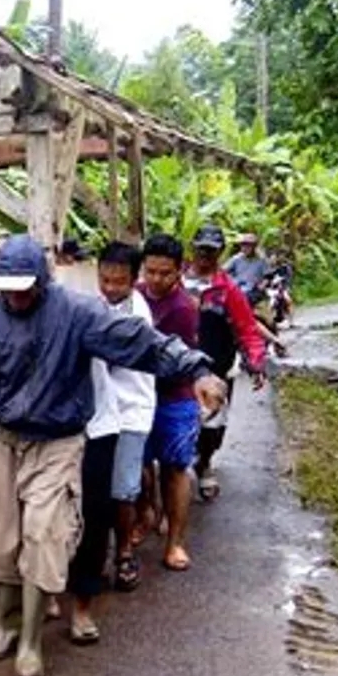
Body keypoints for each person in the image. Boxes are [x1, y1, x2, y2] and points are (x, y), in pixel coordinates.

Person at [0, 235, 224, 676]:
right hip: (7, 439)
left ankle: (30, 643)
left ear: (44, 280)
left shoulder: (78, 313)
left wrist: (197, 369)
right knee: (2, 538)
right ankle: (4, 626)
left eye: (24, 287)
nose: (16, 297)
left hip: (60, 439)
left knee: (43, 533)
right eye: (7, 288)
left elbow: (143, 342)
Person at [136, 235, 204, 573]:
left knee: (175, 470)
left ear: (179, 271)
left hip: (174, 397)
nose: (156, 279)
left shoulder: (184, 309)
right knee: (139, 466)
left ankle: (175, 542)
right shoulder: (132, 296)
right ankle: (147, 511)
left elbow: (182, 361)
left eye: (165, 273)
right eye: (151, 271)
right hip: (139, 395)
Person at [186, 225, 268, 501]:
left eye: (211, 250)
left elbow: (247, 328)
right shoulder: (175, 280)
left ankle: (205, 463)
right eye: (201, 249)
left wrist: (256, 360)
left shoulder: (228, 290)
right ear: (192, 248)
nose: (205, 255)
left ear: (220, 252)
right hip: (178, 368)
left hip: (216, 367)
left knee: (212, 426)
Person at [98, 242, 157, 593]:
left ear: (134, 280)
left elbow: (110, 353)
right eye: (104, 279)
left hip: (130, 411)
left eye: (119, 281)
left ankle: (123, 553)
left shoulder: (138, 316)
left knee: (122, 491)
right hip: (100, 412)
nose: (110, 288)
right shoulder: (97, 305)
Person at [224, 233, 269, 301]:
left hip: (253, 289)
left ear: (254, 247)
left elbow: (267, 276)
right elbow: (223, 271)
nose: (245, 248)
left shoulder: (261, 260)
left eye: (248, 246)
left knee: (246, 298)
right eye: (243, 245)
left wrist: (263, 285)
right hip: (236, 287)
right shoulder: (236, 258)